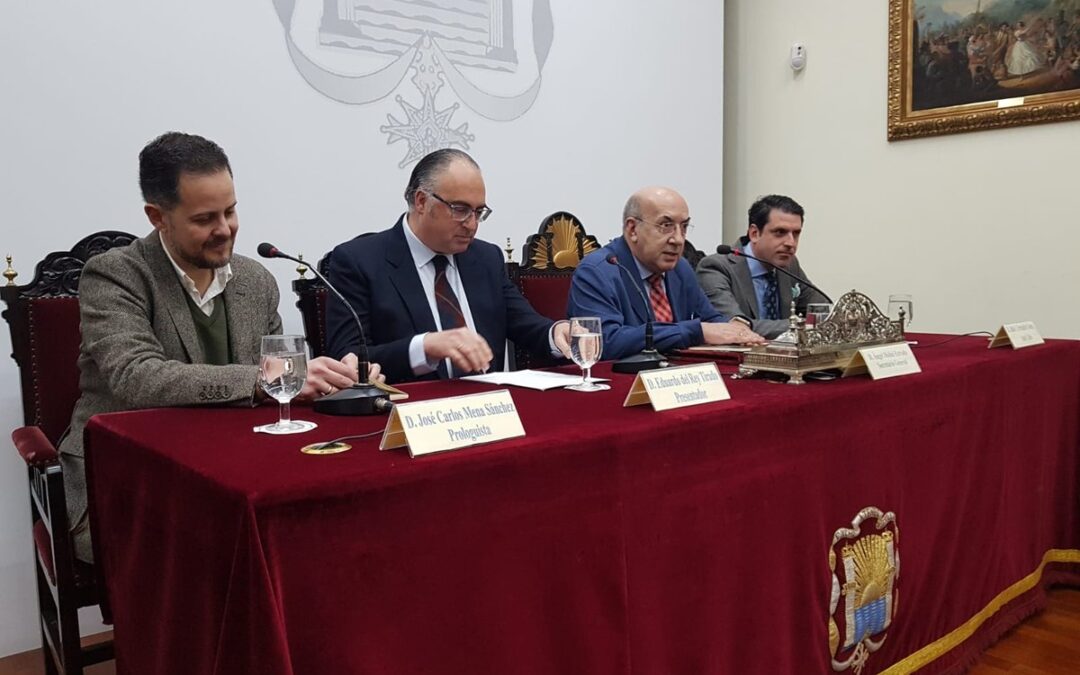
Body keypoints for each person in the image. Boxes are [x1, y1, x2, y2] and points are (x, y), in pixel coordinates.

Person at [59, 132, 380, 562]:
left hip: (235, 473)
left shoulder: (256, 280)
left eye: (230, 211)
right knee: (204, 554)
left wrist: (336, 382)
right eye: (204, 218)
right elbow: (137, 377)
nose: (225, 229)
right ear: (157, 217)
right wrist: (267, 380)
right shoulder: (115, 275)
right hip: (131, 479)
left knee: (327, 533)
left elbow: (279, 385)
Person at [326, 149, 571, 383]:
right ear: (421, 201)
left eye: (479, 212)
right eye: (460, 209)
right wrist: (425, 347)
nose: (472, 224)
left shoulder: (486, 258)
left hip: (488, 404)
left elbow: (525, 324)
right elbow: (348, 358)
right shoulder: (359, 261)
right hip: (409, 406)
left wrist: (556, 332)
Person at [566, 186, 763, 360]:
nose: (678, 239)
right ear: (632, 229)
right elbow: (604, 342)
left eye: (684, 227)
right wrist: (696, 331)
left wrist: (736, 330)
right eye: (666, 226)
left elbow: (710, 319)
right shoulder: (597, 271)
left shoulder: (680, 268)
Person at [696, 194, 829, 339]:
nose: (790, 243)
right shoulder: (715, 268)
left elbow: (824, 312)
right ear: (754, 233)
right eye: (780, 232)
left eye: (796, 233)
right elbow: (734, 327)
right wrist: (804, 326)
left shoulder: (790, 265)